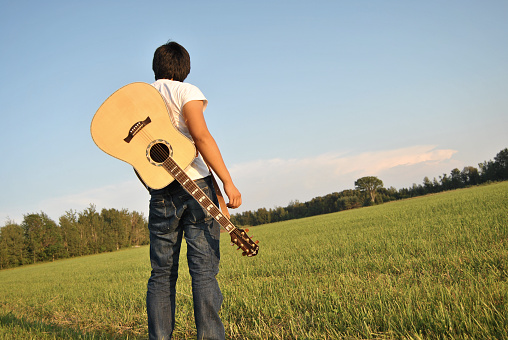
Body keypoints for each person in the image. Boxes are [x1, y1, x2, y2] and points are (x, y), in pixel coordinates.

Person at [146, 41, 242, 340]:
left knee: (161, 275)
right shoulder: (186, 92)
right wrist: (227, 181)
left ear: (156, 67)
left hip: (160, 189)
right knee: (203, 272)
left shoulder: (141, 97)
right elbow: (200, 136)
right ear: (184, 69)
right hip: (196, 186)